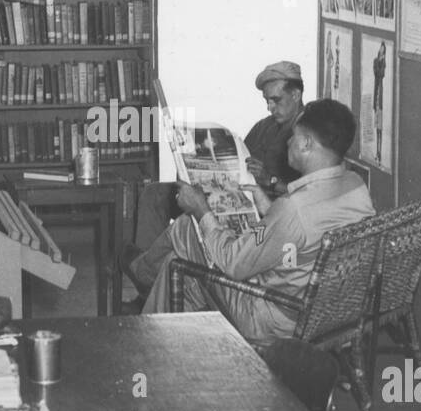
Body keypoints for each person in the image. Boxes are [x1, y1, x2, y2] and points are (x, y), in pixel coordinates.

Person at [141, 99, 376, 348]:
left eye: (294, 136)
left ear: (307, 144)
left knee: (189, 226)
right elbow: (305, 231)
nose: (288, 142)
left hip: (274, 319)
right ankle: (161, 341)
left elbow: (233, 263)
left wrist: (201, 210)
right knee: (177, 270)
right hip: (329, 309)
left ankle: (142, 274)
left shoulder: (293, 210)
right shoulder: (355, 184)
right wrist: (270, 209)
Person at [123, 61, 307, 297]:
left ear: (296, 94)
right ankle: (148, 282)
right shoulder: (265, 126)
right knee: (156, 194)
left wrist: (271, 181)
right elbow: (236, 161)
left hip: (262, 210)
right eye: (267, 101)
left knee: (184, 227)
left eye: (276, 100)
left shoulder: (307, 135)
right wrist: (192, 164)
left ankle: (145, 273)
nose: (270, 107)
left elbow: (305, 195)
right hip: (233, 193)